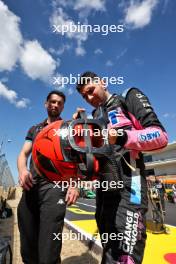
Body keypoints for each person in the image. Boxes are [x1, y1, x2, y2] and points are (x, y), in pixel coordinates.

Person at [74, 72, 168, 264]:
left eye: (91, 91)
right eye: (85, 96)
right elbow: (91, 159)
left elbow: (160, 136)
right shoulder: (94, 116)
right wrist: (79, 127)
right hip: (104, 190)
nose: (90, 98)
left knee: (125, 255)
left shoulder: (128, 96)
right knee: (110, 250)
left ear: (103, 82)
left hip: (131, 186)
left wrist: (124, 137)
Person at [17, 90, 79, 264]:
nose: (55, 105)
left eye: (59, 103)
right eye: (52, 101)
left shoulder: (68, 127)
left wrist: (74, 185)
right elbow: (23, 153)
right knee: (28, 242)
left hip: (55, 187)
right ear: (46, 104)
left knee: (48, 246)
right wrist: (22, 171)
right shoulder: (34, 129)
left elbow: (76, 159)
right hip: (31, 185)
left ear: (63, 107)